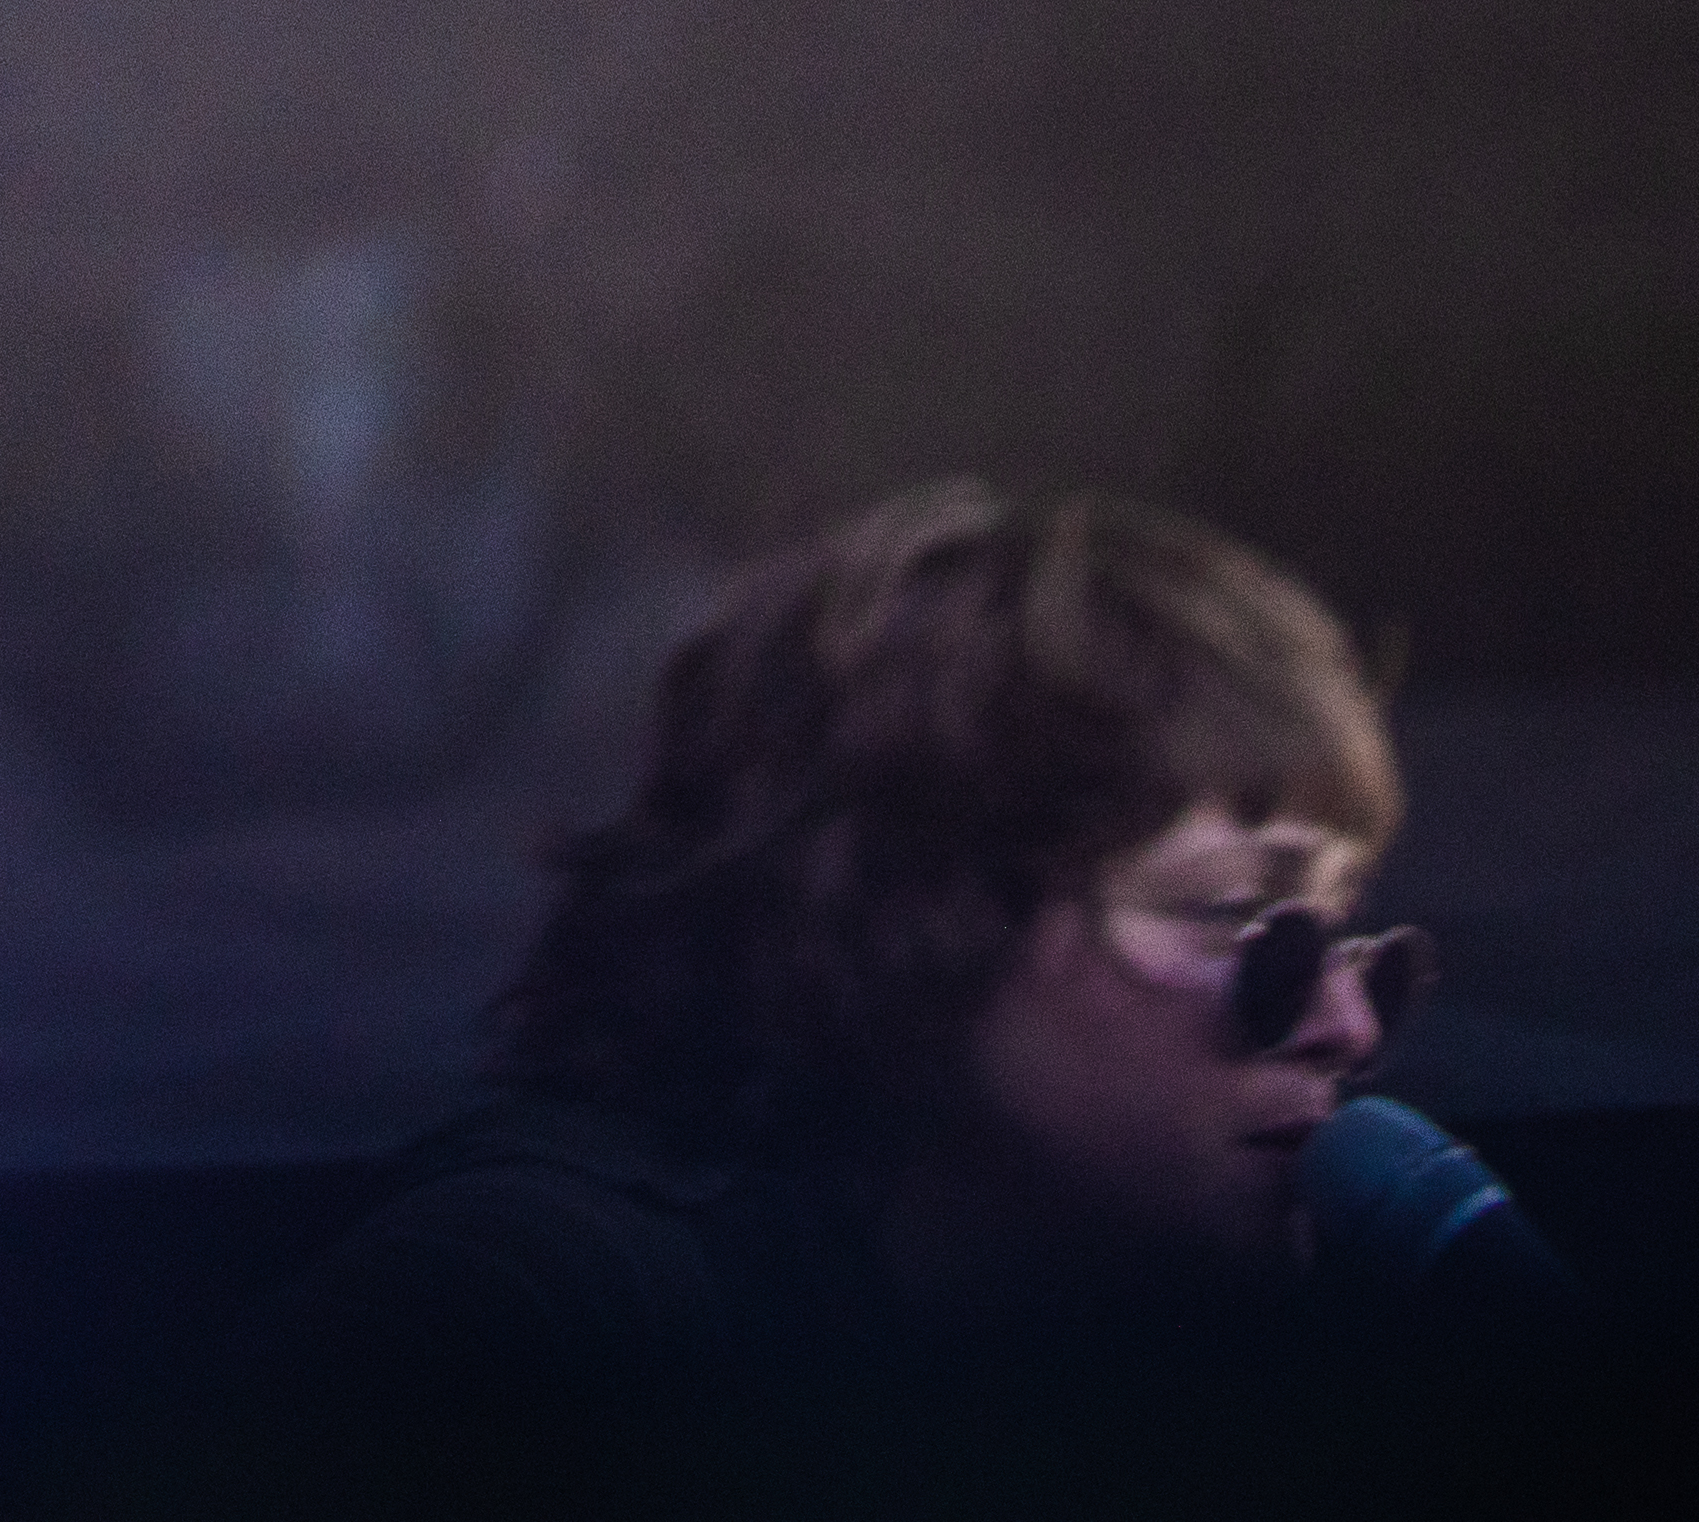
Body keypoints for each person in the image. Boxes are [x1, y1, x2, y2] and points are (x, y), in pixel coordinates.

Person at [182, 478, 1601, 1515]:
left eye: (1350, 936)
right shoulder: (543, 1292)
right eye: (1238, 917)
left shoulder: (1301, 1291)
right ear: (924, 917)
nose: (1344, 1026)